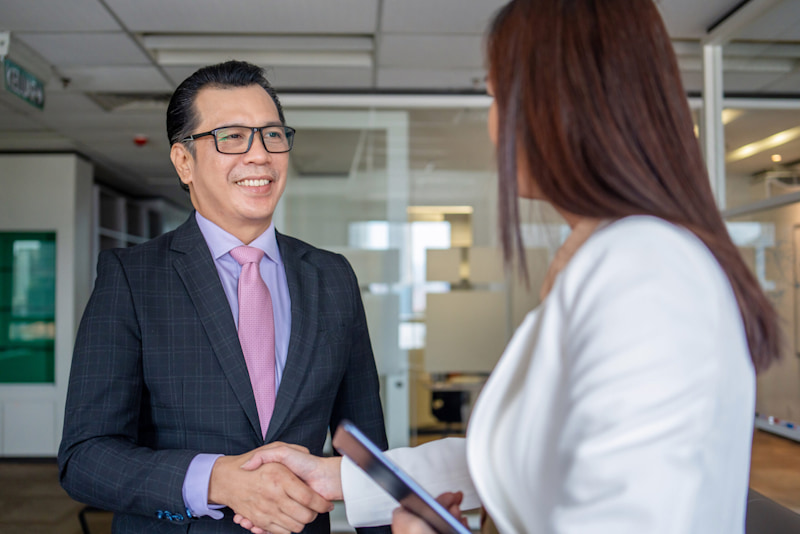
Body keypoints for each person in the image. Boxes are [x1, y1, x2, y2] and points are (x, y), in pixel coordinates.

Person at [234, 1, 783, 533]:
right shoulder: (611, 259)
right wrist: (338, 476)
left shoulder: (646, 271)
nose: (495, 125)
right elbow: (528, 454)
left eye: (498, 97)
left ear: (560, 104)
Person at [58, 60, 390, 534]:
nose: (260, 155)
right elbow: (85, 457)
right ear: (184, 161)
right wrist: (216, 480)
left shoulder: (331, 276)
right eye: (232, 137)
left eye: (272, 135)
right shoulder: (132, 279)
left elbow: (363, 447)